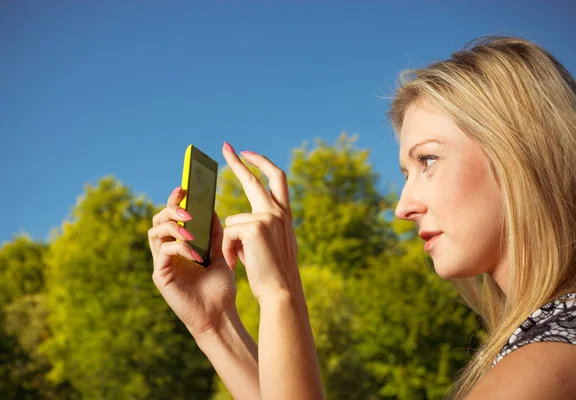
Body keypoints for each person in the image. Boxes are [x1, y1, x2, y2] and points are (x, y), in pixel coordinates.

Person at [148, 36, 576, 399]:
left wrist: (281, 293)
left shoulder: (544, 365)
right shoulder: (550, 341)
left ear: (519, 155)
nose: (403, 207)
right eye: (407, 173)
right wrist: (215, 323)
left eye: (428, 160)